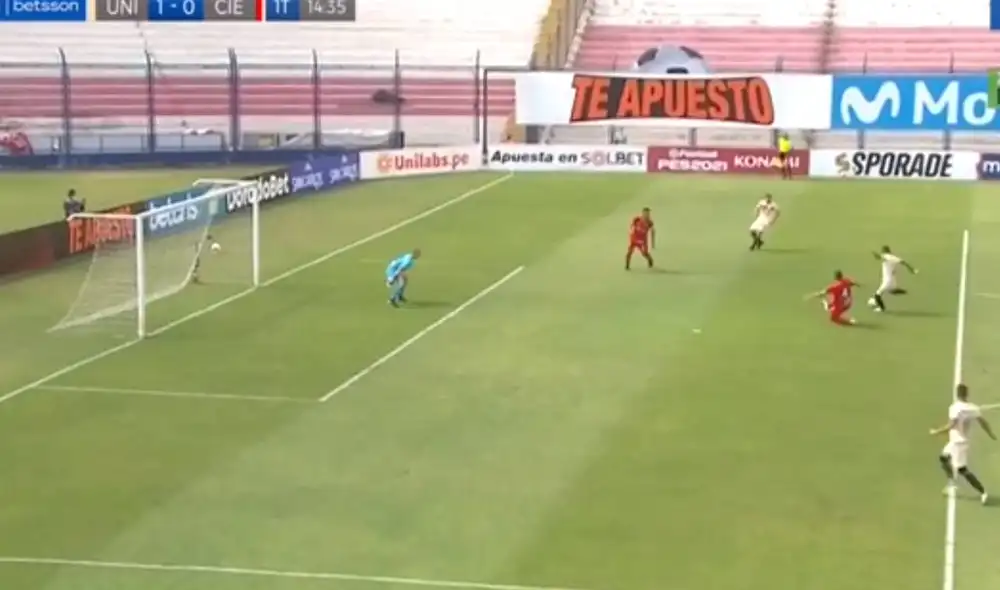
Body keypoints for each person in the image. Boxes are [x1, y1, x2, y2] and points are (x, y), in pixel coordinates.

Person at [930, 383, 995, 505]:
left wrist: (936, 432)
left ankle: (983, 492)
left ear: (957, 394)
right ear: (967, 394)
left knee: (962, 470)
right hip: (956, 441)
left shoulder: (954, 408)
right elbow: (983, 422)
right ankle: (952, 483)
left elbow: (951, 425)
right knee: (943, 458)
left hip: (958, 443)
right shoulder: (973, 408)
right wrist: (990, 433)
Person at [868, 246, 917, 312]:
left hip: (887, 281)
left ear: (884, 251)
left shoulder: (886, 256)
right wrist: (912, 269)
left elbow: (878, 257)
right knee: (892, 291)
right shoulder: (894, 257)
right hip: (892, 280)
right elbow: (903, 262)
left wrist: (874, 253)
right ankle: (905, 291)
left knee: (877, 294)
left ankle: (881, 308)